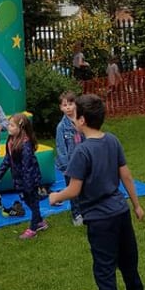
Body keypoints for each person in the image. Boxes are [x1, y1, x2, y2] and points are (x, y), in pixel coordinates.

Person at [49, 94, 145, 290]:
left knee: (105, 270)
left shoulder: (82, 151)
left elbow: (74, 190)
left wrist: (55, 196)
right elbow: (126, 176)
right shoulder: (112, 140)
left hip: (100, 220)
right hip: (121, 213)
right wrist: (137, 205)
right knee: (129, 263)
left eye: (75, 115)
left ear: (82, 120)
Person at [0, 113, 47, 239]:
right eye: (9, 124)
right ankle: (40, 221)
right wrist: (0, 173)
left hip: (29, 179)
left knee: (33, 203)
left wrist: (28, 186)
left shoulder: (25, 145)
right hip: (20, 179)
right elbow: (8, 158)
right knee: (28, 201)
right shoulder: (11, 140)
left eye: (12, 125)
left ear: (21, 129)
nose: (8, 127)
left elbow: (27, 167)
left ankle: (33, 229)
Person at [55, 90, 84, 225]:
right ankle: (76, 214)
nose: (68, 108)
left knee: (86, 187)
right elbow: (61, 149)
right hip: (71, 165)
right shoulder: (61, 127)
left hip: (84, 161)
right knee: (73, 190)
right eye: (65, 105)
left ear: (76, 104)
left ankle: (87, 209)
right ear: (61, 108)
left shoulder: (82, 121)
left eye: (70, 104)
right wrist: (67, 168)